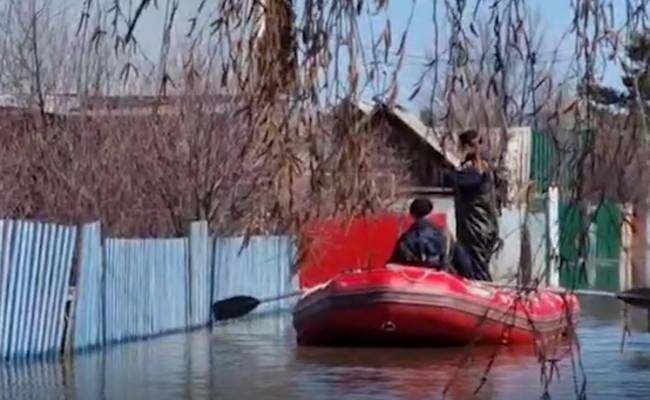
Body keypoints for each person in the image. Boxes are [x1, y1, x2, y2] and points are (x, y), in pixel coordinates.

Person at [445, 129, 502, 282]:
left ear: (465, 147)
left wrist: (450, 168)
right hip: (483, 226)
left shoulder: (473, 170)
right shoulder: (486, 168)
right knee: (475, 266)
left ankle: (485, 298)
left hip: (476, 227)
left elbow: (452, 180)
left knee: (477, 269)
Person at [388, 197, 477, 279]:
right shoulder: (445, 236)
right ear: (431, 213)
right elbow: (465, 266)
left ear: (412, 214)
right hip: (443, 283)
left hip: (413, 285)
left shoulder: (405, 240)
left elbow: (393, 266)